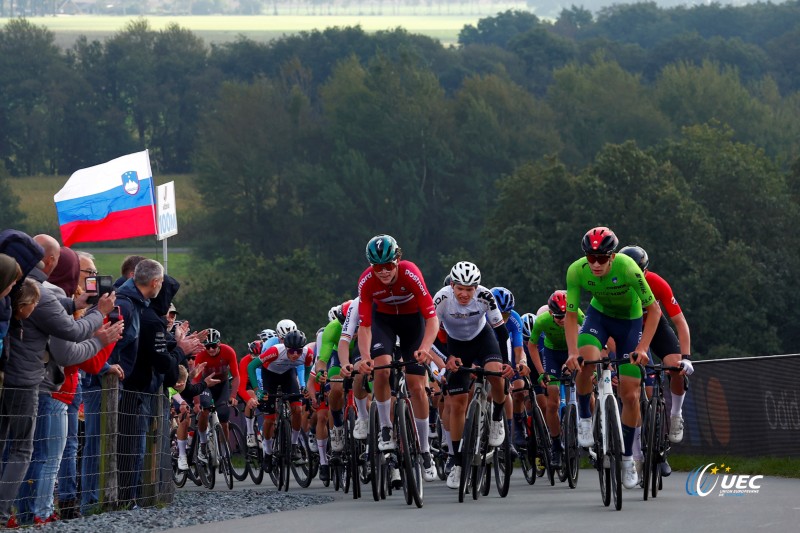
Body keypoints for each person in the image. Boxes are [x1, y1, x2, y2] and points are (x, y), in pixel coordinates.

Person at [0, 234, 115, 528]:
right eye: (84, 271)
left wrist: (75, 302)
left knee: (20, 449)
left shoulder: (23, 289)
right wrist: (99, 323)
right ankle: (19, 512)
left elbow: (49, 306)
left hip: (22, 380)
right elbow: (70, 339)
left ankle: (21, 512)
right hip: (31, 382)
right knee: (30, 452)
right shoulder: (35, 290)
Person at [564, 227, 662, 490]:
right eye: (590, 257)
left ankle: (628, 457)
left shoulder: (629, 268)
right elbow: (571, 316)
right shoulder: (576, 270)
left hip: (630, 323)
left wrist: (642, 348)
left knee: (630, 395)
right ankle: (585, 417)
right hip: (599, 318)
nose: (595, 263)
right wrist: (572, 351)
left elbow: (654, 311)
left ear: (613, 256)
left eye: (601, 258)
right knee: (586, 362)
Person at [355, 234, 440, 484]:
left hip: (412, 322)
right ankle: (385, 428)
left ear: (398, 260)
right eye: (377, 267)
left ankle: (425, 451)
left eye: (388, 266)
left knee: (417, 386)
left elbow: (432, 319)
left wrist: (425, 348)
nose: (383, 272)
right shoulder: (366, 281)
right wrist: (366, 357)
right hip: (384, 323)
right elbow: (365, 326)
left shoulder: (410, 273)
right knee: (380, 370)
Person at [434, 261, 524, 489]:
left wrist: (505, 363)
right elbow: (430, 335)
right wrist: (446, 360)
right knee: (457, 403)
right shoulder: (442, 299)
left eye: (469, 289)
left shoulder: (485, 296)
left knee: (496, 375)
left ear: (476, 287)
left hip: (483, 340)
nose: (464, 294)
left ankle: (496, 420)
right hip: (456, 346)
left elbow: (501, 331)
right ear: (452, 285)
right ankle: (456, 461)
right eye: (460, 289)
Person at [528, 290, 585, 468]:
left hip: (573, 350)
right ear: (551, 313)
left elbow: (590, 339)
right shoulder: (543, 320)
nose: (562, 320)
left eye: (565, 316)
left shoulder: (579, 315)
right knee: (552, 401)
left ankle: (590, 427)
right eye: (558, 317)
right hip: (552, 354)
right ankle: (555, 445)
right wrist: (541, 372)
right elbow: (532, 346)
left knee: (587, 385)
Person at [248, 330, 315, 470]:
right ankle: (267, 452)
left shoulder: (308, 353)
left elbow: (307, 371)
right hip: (269, 376)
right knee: (270, 419)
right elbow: (251, 366)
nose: (295, 354)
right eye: (291, 351)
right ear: (285, 347)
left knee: (297, 409)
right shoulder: (275, 351)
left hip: (287, 376)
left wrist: (306, 386)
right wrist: (257, 391)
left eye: (298, 351)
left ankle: (294, 445)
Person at [192, 328, 240, 464]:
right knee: (205, 411)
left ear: (219, 344)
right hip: (206, 385)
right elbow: (195, 379)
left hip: (222, 384)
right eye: (208, 347)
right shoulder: (201, 354)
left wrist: (233, 395)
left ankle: (224, 451)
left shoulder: (228, 351)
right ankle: (202, 444)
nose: (211, 350)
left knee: (224, 417)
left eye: (213, 346)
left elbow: (236, 376)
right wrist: (196, 402)